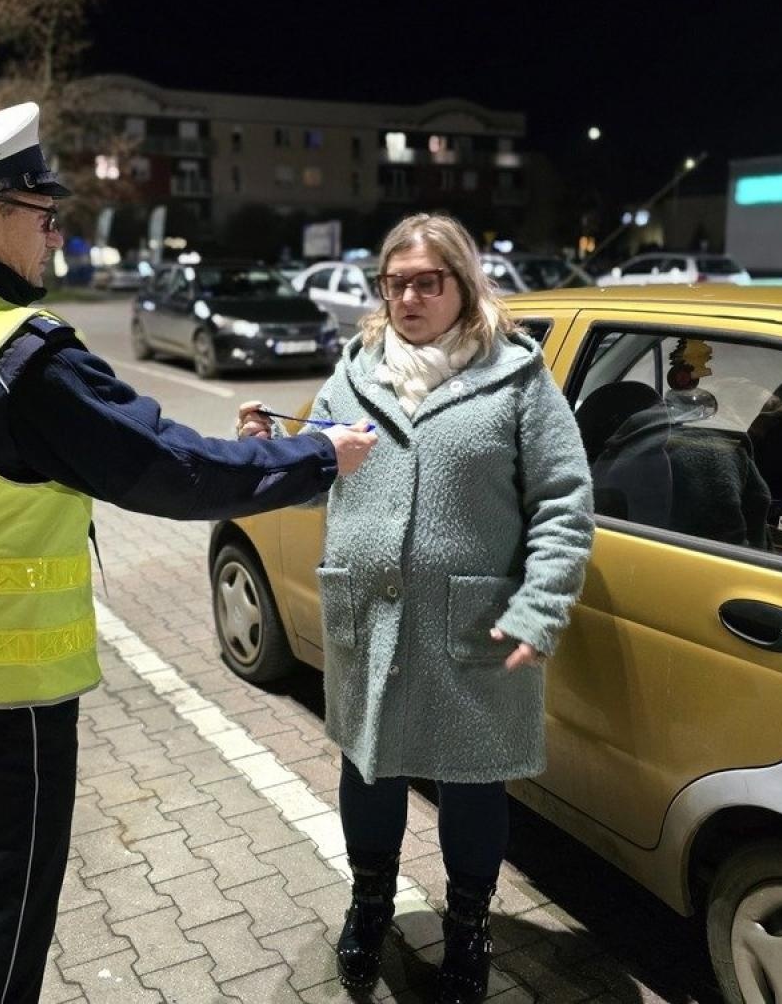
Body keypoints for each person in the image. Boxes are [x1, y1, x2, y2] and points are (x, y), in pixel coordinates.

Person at [0, 102, 377, 1004]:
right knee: (4, 921)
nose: (57, 234)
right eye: (43, 214)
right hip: (6, 681)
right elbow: (172, 471)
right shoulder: (22, 358)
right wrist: (317, 457)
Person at [237, 213, 594, 1003]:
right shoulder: (357, 367)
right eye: (395, 283)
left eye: (427, 281)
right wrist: (273, 447)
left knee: (473, 784)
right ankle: (370, 905)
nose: (407, 297)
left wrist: (540, 610)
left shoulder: (516, 376)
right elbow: (320, 466)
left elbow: (565, 504)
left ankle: (468, 924)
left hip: (471, 625)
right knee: (369, 772)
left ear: (464, 285)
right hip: (373, 621)